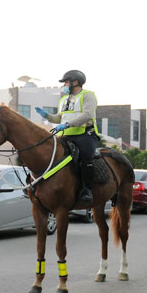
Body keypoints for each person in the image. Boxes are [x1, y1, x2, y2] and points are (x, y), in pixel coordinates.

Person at [35, 69, 99, 206]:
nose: (64, 85)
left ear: (75, 82)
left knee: (86, 156)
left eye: (65, 82)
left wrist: (67, 124)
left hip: (84, 135)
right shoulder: (64, 99)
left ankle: (87, 190)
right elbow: (59, 118)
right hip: (65, 136)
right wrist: (47, 116)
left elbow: (87, 115)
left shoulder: (88, 96)